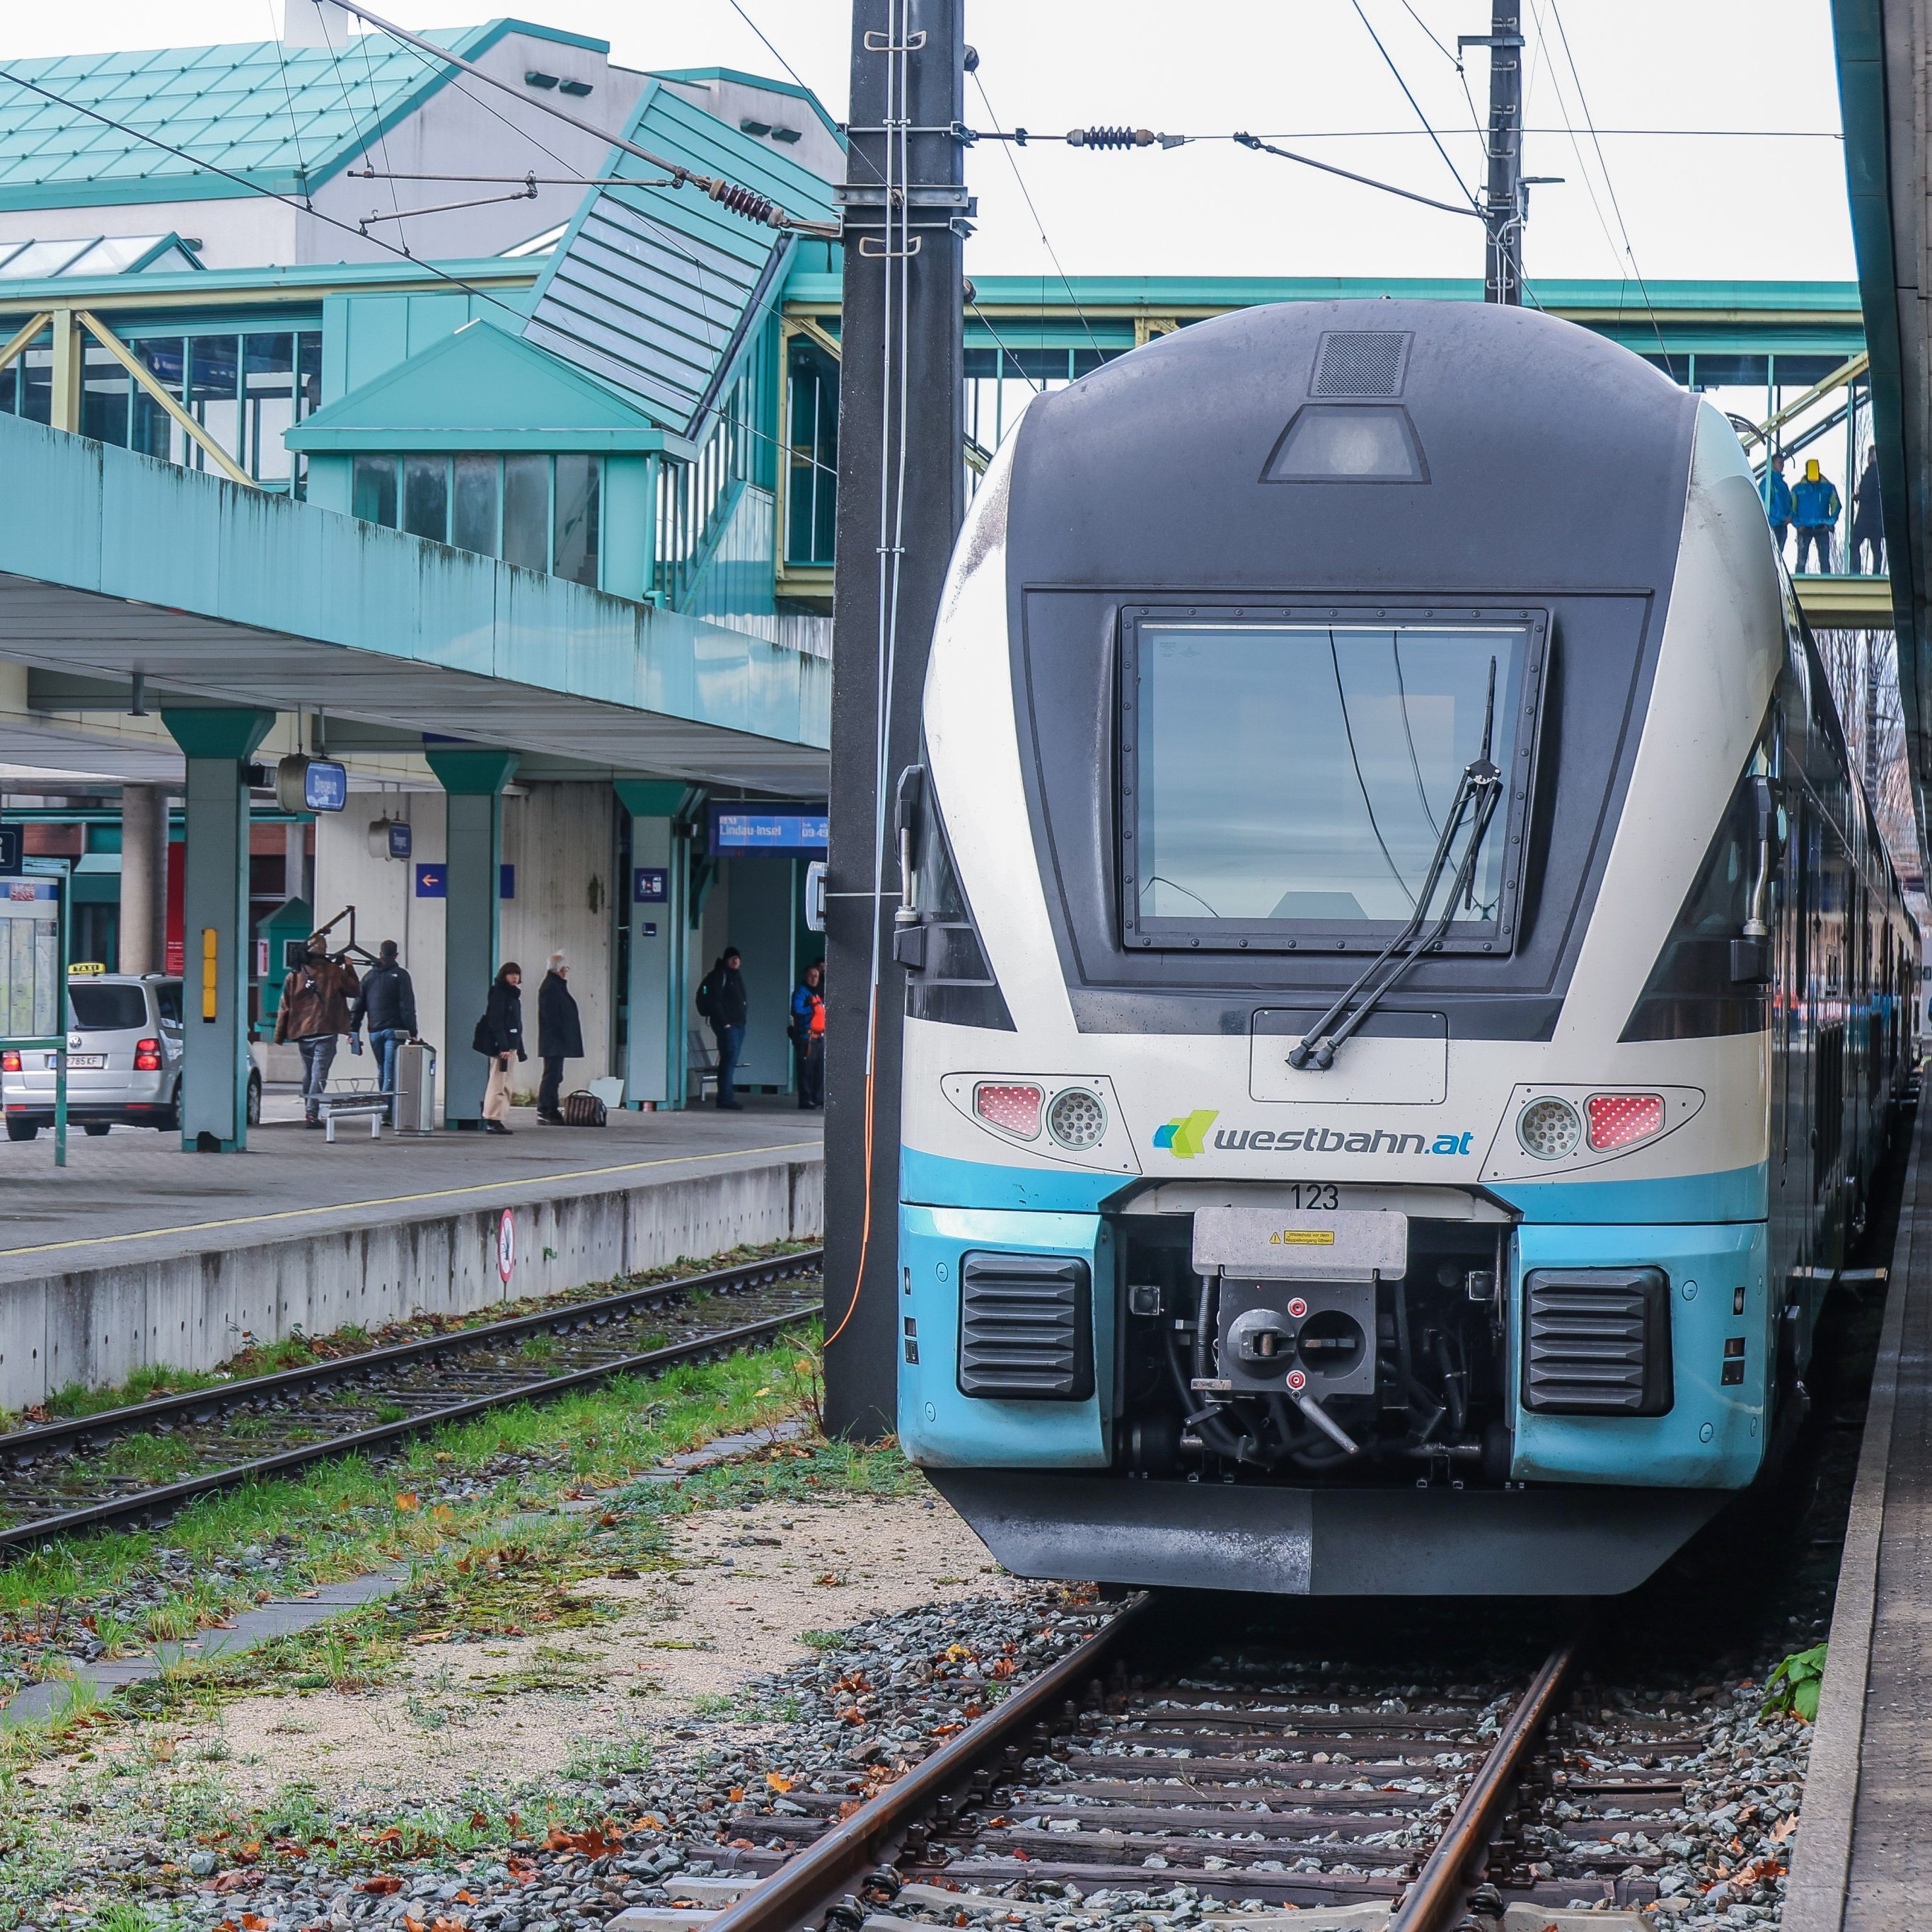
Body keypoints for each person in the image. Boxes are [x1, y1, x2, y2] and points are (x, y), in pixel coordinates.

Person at [274, 934, 360, 1129]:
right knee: (318, 1075)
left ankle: (309, 1111)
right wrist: (349, 967)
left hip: (302, 1032)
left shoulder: (294, 976)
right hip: (326, 1030)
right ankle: (312, 1116)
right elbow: (354, 991)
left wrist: (279, 1035)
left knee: (308, 1074)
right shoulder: (334, 972)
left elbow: (284, 1007)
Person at [350, 939, 417, 1122]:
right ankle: (387, 1110)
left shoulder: (368, 977)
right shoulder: (402, 975)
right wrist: (413, 1031)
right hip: (395, 1030)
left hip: (375, 1031)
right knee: (390, 1069)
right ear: (396, 955)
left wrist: (353, 1030)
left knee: (382, 1068)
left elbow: (358, 1006)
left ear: (380, 954)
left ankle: (383, 1105)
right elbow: (407, 1006)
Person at [470, 962, 526, 1135]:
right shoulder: (500, 994)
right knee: (498, 1083)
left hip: (510, 1047)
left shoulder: (513, 995)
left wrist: (518, 1049)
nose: (515, 977)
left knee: (506, 1083)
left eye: (517, 974)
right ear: (504, 976)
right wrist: (503, 1046)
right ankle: (492, 1118)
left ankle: (497, 1118)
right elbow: (497, 1021)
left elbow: (516, 1025)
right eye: (511, 974)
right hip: (503, 1048)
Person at [696, 946, 748, 1110]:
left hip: (738, 1025)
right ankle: (725, 1098)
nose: (736, 960)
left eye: (738, 958)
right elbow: (715, 1001)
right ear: (726, 960)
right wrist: (725, 1022)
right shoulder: (720, 975)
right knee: (728, 1061)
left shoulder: (736, 976)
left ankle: (726, 1097)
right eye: (732, 958)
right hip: (728, 1026)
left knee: (731, 1061)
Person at [536, 951, 583, 1125]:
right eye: (565, 968)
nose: (566, 972)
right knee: (552, 1075)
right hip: (554, 1040)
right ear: (559, 969)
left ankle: (550, 1108)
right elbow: (552, 1016)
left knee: (555, 1075)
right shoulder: (551, 987)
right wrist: (560, 1035)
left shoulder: (553, 986)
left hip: (555, 1040)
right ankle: (546, 1109)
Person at [1791, 457, 1842, 574]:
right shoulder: (1797, 489)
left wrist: (1829, 523)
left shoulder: (1828, 488)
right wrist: (1798, 525)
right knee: (1801, 561)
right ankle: (1798, 587)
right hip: (1804, 528)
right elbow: (1791, 508)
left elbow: (1837, 506)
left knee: (1824, 561)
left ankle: (1828, 586)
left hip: (1821, 527)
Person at [790, 959, 826, 1111]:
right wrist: (811, 1010)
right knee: (806, 1071)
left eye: (816, 976)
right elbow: (797, 1010)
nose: (814, 978)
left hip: (819, 1038)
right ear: (805, 976)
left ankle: (817, 1099)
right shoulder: (801, 992)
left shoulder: (816, 993)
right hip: (807, 1038)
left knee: (819, 1071)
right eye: (811, 976)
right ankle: (806, 1100)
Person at [1851, 447, 1885, 576]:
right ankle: (1876, 573)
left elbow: (1866, 494)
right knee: (1876, 548)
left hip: (1866, 518)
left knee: (1854, 544)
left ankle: (1856, 572)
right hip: (1878, 519)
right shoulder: (1883, 474)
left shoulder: (1871, 472)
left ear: (1870, 457)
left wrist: (1856, 497)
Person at [1762, 451, 1792, 562]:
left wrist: (1789, 516)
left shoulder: (1783, 485)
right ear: (1773, 464)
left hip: (1782, 525)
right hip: (1773, 524)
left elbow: (1790, 502)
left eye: (1783, 463)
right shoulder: (1767, 483)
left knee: (1779, 555)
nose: (1782, 465)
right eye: (1780, 463)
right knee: (1772, 555)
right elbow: (1768, 505)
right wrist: (1784, 517)